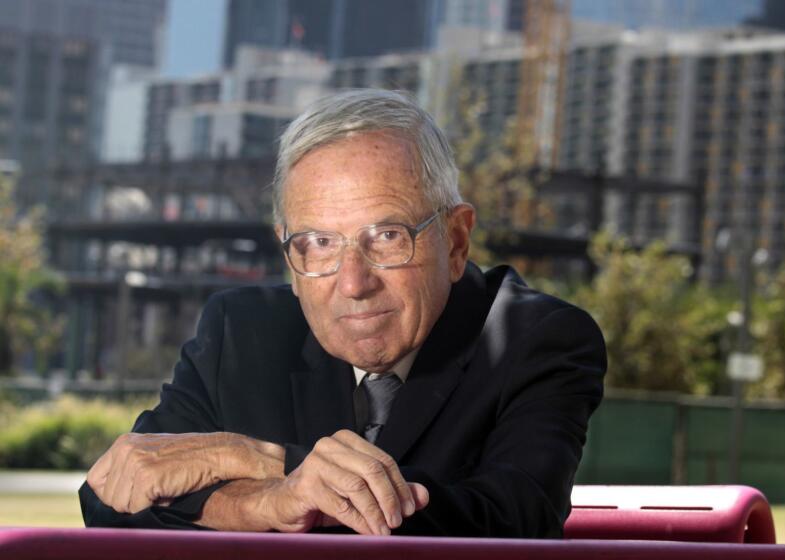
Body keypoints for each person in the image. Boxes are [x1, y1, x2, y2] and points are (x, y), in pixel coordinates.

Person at [79, 89, 607, 538]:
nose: (353, 284)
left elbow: (511, 524)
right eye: (319, 244)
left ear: (456, 241)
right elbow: (114, 496)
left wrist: (257, 461)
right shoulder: (240, 332)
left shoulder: (537, 340)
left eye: (386, 237)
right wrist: (265, 503)